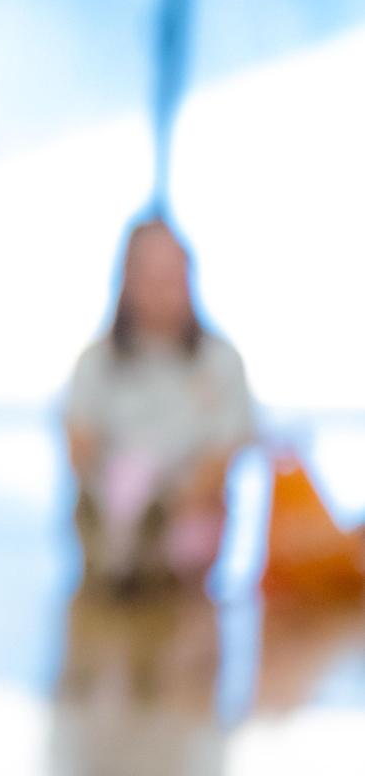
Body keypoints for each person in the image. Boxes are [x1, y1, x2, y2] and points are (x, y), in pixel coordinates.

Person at [65, 217, 256, 594]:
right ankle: (123, 552)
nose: (159, 291)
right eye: (147, 277)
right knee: (127, 481)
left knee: (179, 530)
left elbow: (227, 451)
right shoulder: (97, 361)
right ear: (125, 280)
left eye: (170, 276)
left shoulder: (220, 362)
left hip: (187, 510)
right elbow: (79, 440)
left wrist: (172, 498)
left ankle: (148, 554)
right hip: (115, 501)